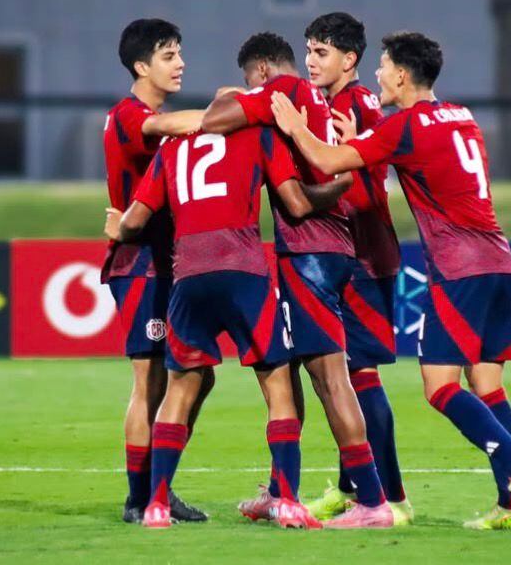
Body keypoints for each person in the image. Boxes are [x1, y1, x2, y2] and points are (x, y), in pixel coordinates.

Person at [268, 31, 511, 530]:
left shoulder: (407, 126)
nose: (378, 75)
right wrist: (362, 135)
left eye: (382, 67)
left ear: (402, 75)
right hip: (498, 261)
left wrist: (295, 126)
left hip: (458, 270)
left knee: (439, 386)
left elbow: (329, 161)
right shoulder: (461, 117)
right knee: (486, 383)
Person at [107, 113, 352, 529]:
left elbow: (134, 218)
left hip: (188, 277)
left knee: (180, 390)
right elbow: (295, 199)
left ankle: (156, 505)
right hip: (245, 275)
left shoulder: (171, 148)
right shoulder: (256, 137)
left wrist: (119, 228)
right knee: (277, 385)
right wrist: (343, 179)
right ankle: (288, 501)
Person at [202, 32, 394, 529]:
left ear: (263, 72)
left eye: (251, 81)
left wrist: (243, 101)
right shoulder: (317, 99)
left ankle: (373, 501)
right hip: (336, 248)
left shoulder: (279, 94)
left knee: (332, 380)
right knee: (291, 373)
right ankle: (279, 488)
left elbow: (213, 123)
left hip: (307, 253)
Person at [299, 12, 411, 523]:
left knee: (357, 375)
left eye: (321, 52)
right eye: (308, 50)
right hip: (353, 256)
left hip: (364, 257)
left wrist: (341, 156)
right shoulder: (337, 103)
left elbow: (368, 189)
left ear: (350, 60)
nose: (310, 61)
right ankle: (352, 486)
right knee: (338, 372)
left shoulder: (356, 104)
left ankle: (389, 497)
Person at [101, 18, 213, 524]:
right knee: (149, 382)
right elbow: (165, 127)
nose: (181, 63)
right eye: (169, 56)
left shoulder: (148, 114)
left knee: (198, 376)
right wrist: (234, 111)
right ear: (141, 66)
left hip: (162, 262)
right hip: (141, 263)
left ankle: (158, 488)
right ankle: (139, 497)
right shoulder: (130, 114)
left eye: (180, 53)